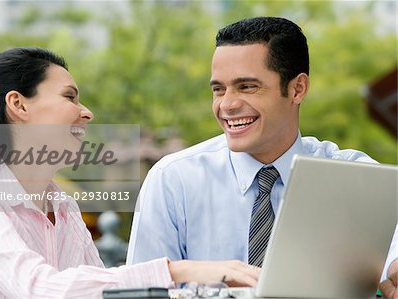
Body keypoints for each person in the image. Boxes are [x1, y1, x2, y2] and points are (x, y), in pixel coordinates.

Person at [0, 47, 260, 298]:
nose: (87, 112)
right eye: (69, 97)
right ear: (19, 104)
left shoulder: (63, 206)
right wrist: (181, 271)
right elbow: (41, 289)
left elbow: (104, 291)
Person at [126, 16, 398, 292]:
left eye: (247, 87)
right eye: (218, 89)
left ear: (297, 89)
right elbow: (141, 291)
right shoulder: (173, 180)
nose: (227, 105)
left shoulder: (356, 177)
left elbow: (393, 251)